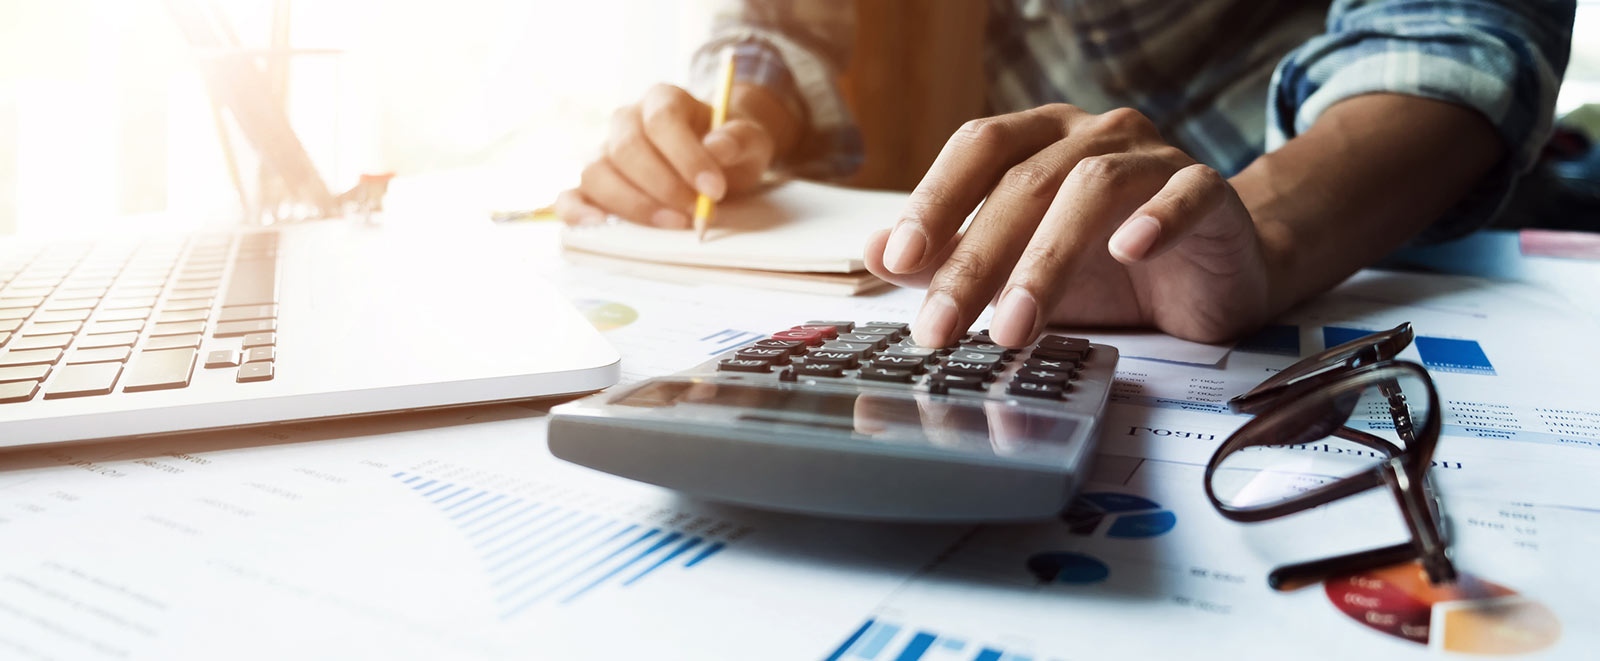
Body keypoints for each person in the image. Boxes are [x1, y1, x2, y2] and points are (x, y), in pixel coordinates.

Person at [552, 0, 1575, 348]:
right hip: (1003, 261)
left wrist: (1263, 232)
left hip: (1352, 234)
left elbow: (1451, 30)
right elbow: (781, 26)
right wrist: (744, 122)